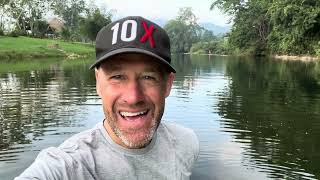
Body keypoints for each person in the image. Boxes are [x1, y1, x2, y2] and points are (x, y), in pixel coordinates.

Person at [15, 16, 199, 180]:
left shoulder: (186, 143)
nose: (133, 97)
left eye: (148, 77)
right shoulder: (69, 165)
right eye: (117, 77)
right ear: (98, 82)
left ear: (167, 85)